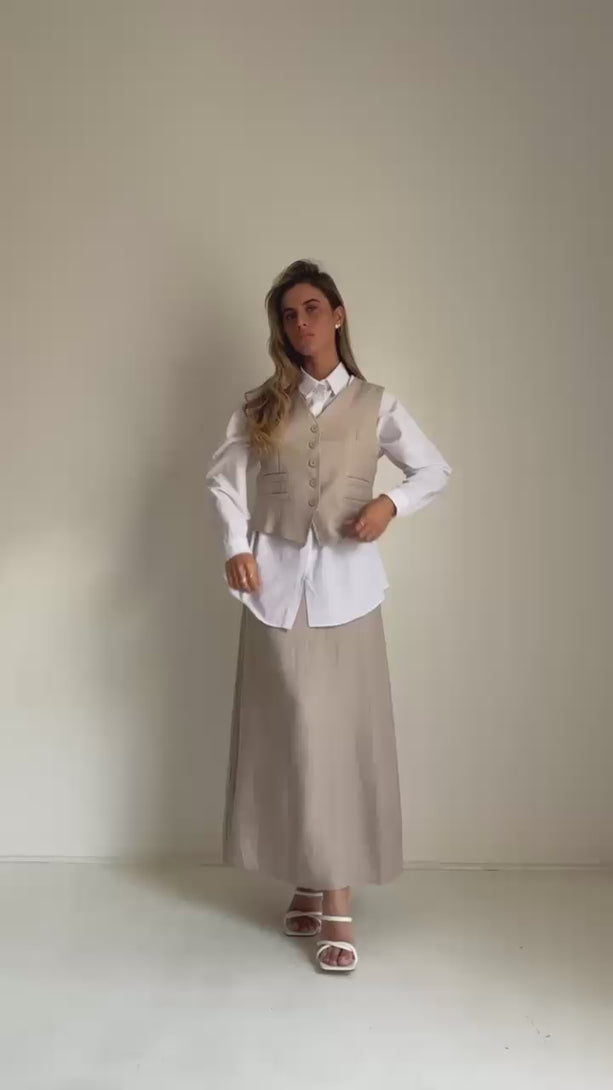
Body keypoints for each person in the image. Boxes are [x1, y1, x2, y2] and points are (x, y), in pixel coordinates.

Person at [205, 258, 452, 973]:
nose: (301, 323)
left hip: (347, 595)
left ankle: (334, 894)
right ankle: (309, 877)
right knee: (290, 740)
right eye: (289, 314)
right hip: (276, 592)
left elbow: (433, 470)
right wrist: (234, 546)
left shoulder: (376, 403)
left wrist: (389, 504)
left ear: (337, 315)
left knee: (335, 744)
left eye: (312, 309)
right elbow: (223, 482)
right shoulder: (260, 405)